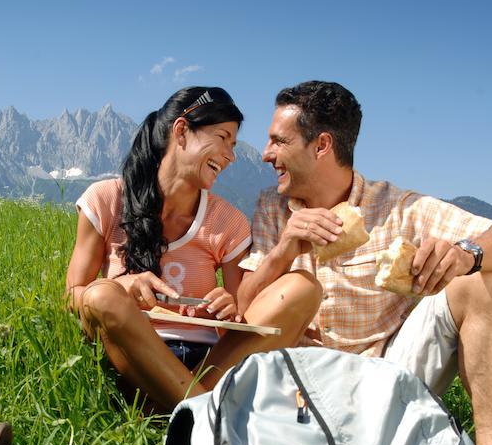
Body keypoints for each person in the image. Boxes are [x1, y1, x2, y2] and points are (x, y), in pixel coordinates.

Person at [237, 81, 492, 445]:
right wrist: (285, 247)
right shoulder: (272, 207)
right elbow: (244, 311)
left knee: (483, 279)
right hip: (298, 391)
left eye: (278, 141)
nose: (267, 154)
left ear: (321, 145)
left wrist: (465, 254)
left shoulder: (397, 207)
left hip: (386, 378)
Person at [66, 87, 320, 412]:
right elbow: (72, 295)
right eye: (223, 137)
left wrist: (229, 304)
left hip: (210, 364)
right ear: (182, 131)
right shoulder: (105, 199)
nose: (230, 156)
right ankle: (204, 413)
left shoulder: (228, 221)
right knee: (101, 296)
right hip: (136, 360)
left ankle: (189, 411)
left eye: (233, 144)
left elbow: (243, 316)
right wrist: (121, 287)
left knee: (303, 287)